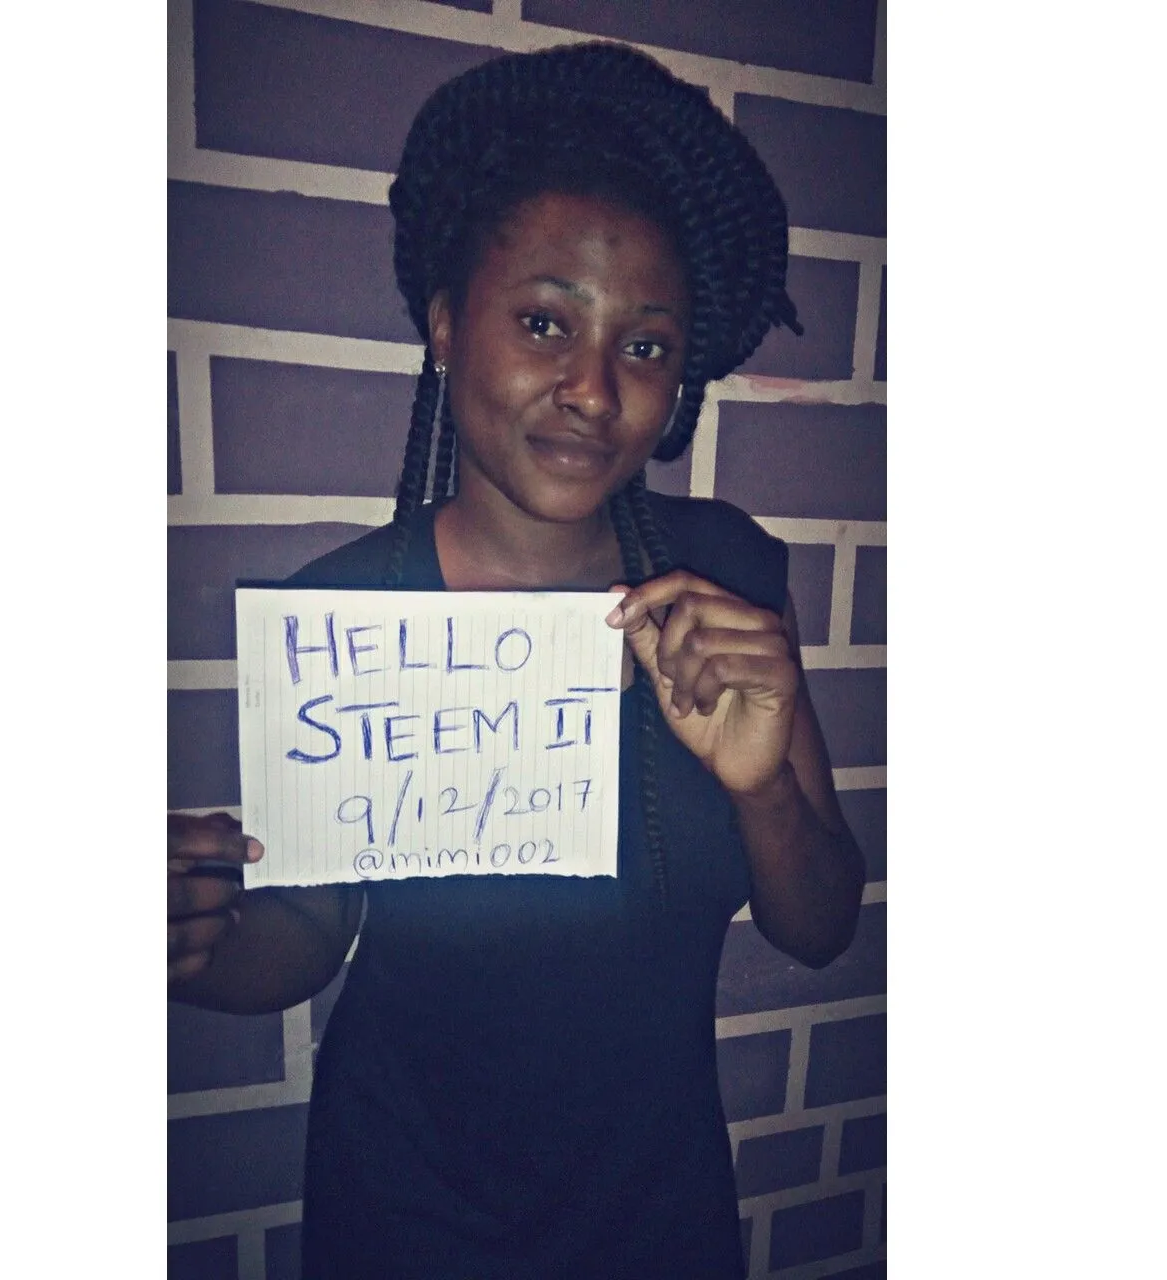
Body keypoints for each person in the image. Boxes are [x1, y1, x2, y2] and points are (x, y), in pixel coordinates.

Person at [168, 41, 866, 1280]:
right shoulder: (345, 614)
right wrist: (191, 941)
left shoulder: (723, 576)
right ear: (445, 324)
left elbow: (815, 927)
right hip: (404, 1212)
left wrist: (761, 784)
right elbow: (309, 930)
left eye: (643, 347)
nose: (591, 389)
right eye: (543, 323)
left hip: (656, 1212)